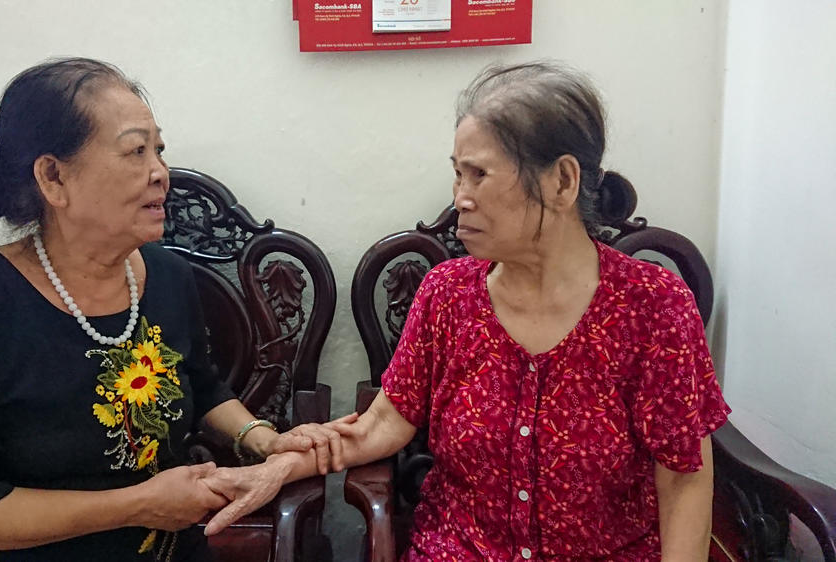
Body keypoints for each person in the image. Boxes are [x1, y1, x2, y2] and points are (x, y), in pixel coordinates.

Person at [200, 62, 732, 561]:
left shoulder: (653, 305)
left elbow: (684, 475)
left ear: (563, 182)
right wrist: (282, 465)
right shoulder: (448, 294)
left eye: (479, 175)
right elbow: (384, 422)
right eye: (457, 174)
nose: (461, 198)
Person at [0, 57, 315, 561]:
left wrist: (263, 440)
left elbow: (201, 386)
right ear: (53, 178)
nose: (161, 173)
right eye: (136, 151)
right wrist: (138, 505)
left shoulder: (168, 277)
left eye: (159, 150)